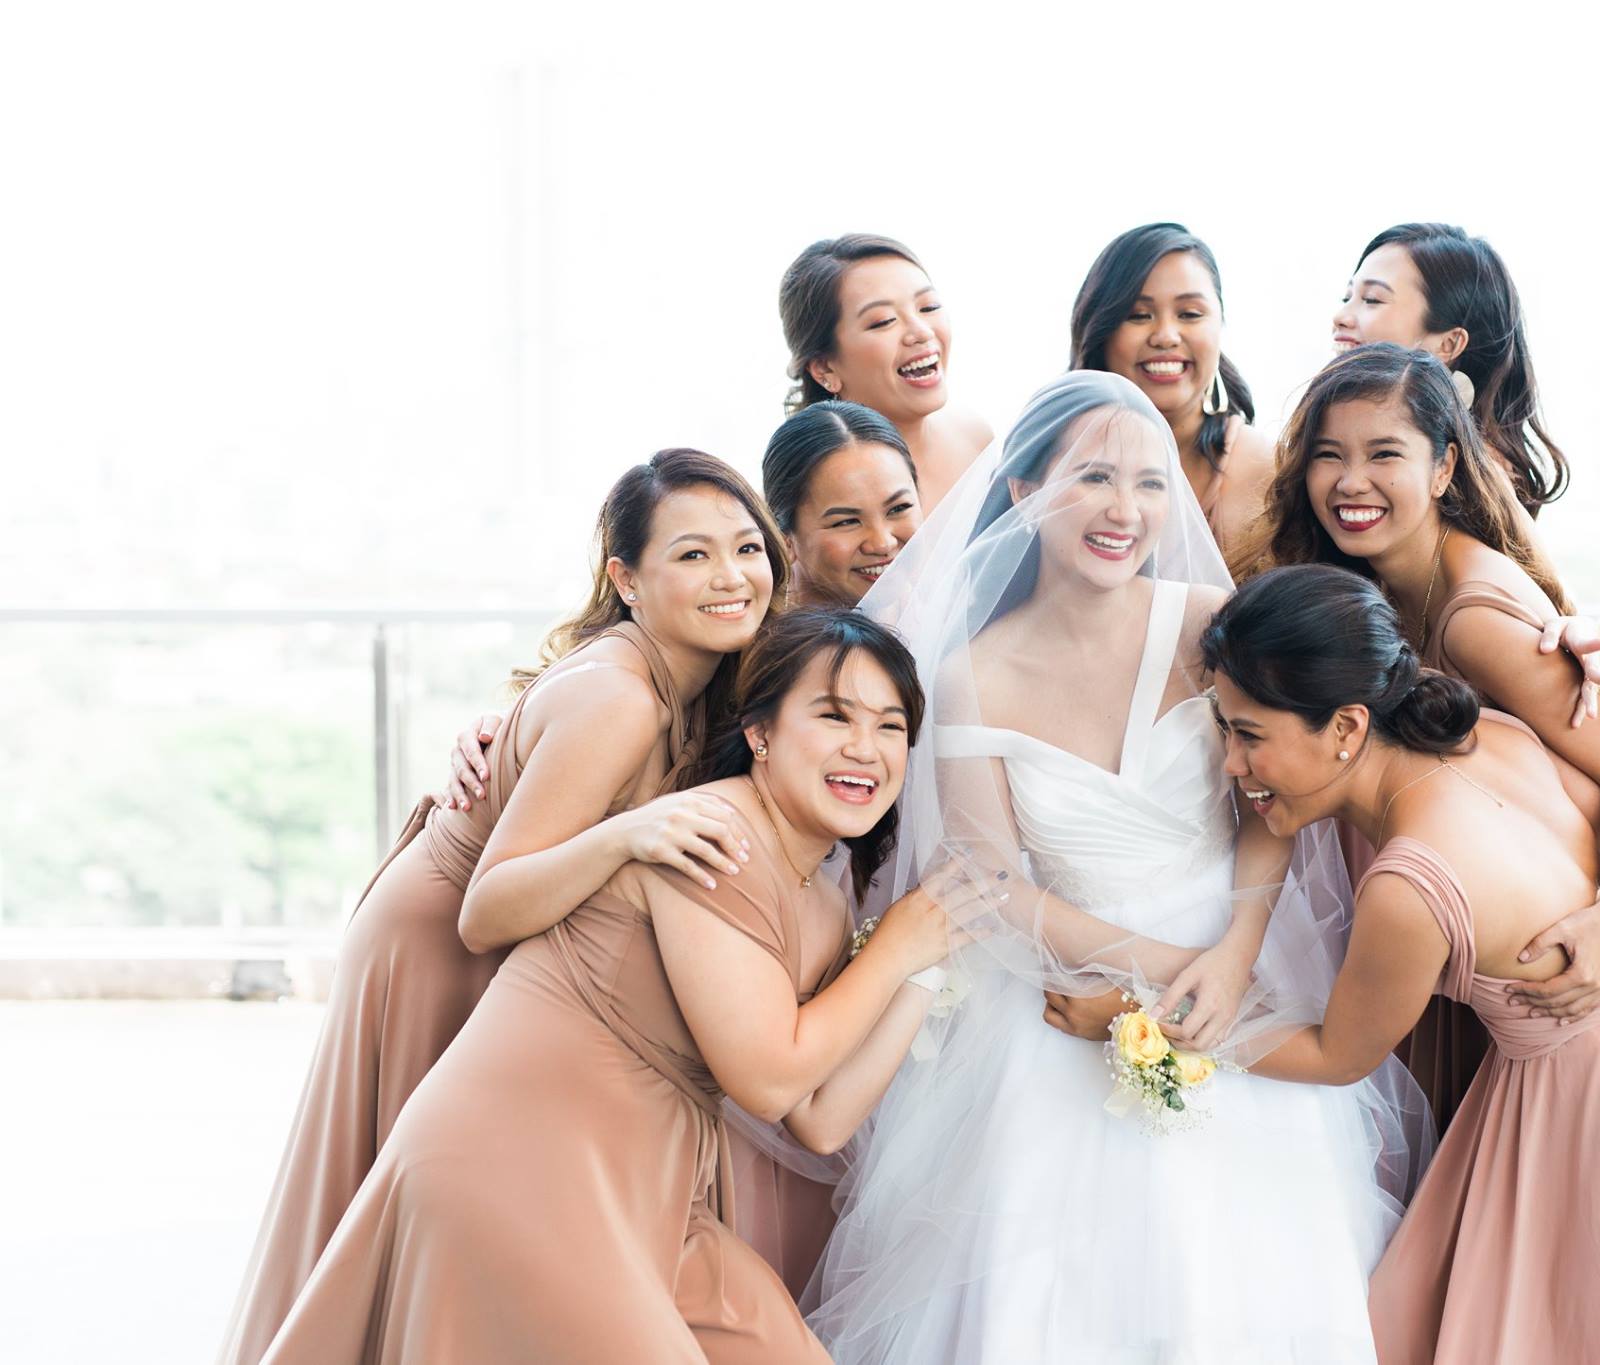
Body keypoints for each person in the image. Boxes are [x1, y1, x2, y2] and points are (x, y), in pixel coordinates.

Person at [807, 372, 1424, 1363]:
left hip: (1235, 953)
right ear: (1023, 491)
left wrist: (1232, 953)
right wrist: (1159, 965)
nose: (1125, 510)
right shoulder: (968, 675)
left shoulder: (1208, 619)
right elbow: (993, 885)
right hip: (1059, 984)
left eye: (1148, 483)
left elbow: (1270, 801)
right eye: (1094, 477)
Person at [262, 610, 984, 1363]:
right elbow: (771, 1079)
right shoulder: (714, 837)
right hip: (523, 1169)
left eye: (890, 726)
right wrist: (895, 947)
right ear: (760, 733)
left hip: (644, 1195)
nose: (865, 747)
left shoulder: (825, 906)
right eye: (834, 716)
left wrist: (923, 966)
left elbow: (821, 1118)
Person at [1203, 564, 1600, 1364]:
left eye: (1249, 735)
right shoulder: (1498, 738)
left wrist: (1156, 1024)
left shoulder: (1409, 887)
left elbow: (1336, 1054)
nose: (1230, 762)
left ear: (1346, 726)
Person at [221, 450, 778, 1364]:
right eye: (693, 555)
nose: (730, 575)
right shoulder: (622, 698)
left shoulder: (686, 678)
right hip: (443, 946)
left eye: (746, 548)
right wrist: (626, 836)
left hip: (497, 942)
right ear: (626, 580)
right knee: (424, 1237)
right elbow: (487, 908)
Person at [1231, 342, 1600, 1130]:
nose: (1350, 481)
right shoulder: (1365, 583)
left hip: (1545, 963)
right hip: (1439, 935)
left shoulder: (1473, 621)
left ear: (1443, 468)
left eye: (1383, 454)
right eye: (1328, 455)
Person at [1070, 222, 1276, 562]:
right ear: (1100, 330)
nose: (1165, 336)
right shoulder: (1056, 456)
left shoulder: (1262, 465)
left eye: (1189, 314)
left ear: (1220, 323)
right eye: (1139, 315)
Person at [1331, 221, 1568, 517]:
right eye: (1347, 297)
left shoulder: (1477, 479)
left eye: (1372, 300)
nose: (1340, 317)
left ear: (1449, 343)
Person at [780, 233, 992, 510]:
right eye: (883, 321)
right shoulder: (797, 495)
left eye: (928, 307)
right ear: (824, 368)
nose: (921, 332)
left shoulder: (974, 436)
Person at [761, 399, 924, 605]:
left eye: (898, 508)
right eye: (847, 522)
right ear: (783, 539)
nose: (883, 543)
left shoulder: (949, 611)